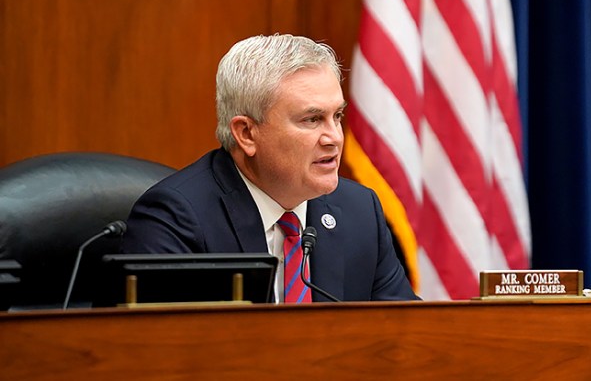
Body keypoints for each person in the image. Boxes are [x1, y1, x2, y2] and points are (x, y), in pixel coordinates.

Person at [122, 34, 418, 302]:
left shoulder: (359, 212)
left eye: (337, 116)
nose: (334, 138)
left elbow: (407, 337)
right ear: (247, 134)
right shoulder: (174, 220)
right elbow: (158, 352)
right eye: (312, 119)